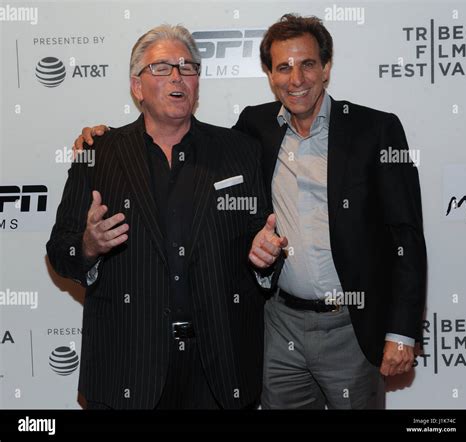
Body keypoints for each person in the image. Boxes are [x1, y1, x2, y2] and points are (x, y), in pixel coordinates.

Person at [74, 14, 427, 410]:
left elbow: (406, 237)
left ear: (326, 68)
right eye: (283, 67)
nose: (296, 79)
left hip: (349, 326)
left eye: (308, 64)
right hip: (278, 327)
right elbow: (184, 141)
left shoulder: (375, 130)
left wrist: (402, 332)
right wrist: (101, 141)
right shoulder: (255, 128)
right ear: (270, 75)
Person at [47, 24, 284, 410]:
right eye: (162, 68)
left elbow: (263, 243)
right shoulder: (98, 152)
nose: (177, 76)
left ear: (197, 83)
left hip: (220, 369)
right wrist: (87, 247)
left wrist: (264, 258)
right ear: (137, 87)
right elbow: (60, 251)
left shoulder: (239, 151)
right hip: (127, 366)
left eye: (187, 67)